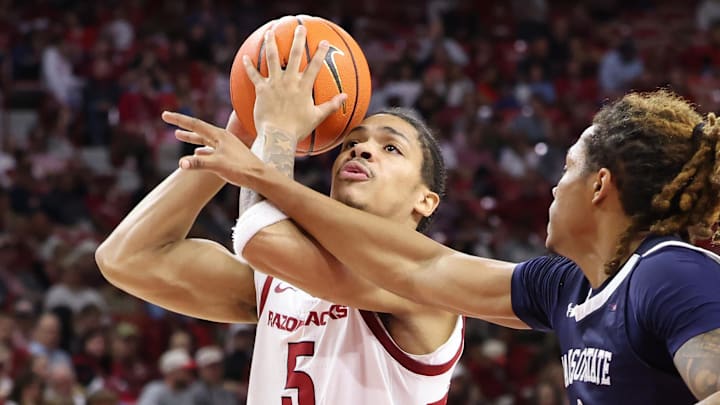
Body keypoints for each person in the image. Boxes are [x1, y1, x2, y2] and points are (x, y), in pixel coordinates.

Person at [163, 50, 720, 404]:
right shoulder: (563, 290)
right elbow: (424, 266)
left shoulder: (671, 273)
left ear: (600, 186)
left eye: (569, 166)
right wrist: (270, 168)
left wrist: (272, 143)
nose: (554, 184)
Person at [96, 25, 463, 404]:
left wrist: (274, 132)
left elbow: (264, 239)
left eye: (391, 148)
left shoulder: (429, 281)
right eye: (352, 143)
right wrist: (242, 130)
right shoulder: (282, 281)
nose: (362, 150)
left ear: (425, 201)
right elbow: (126, 258)